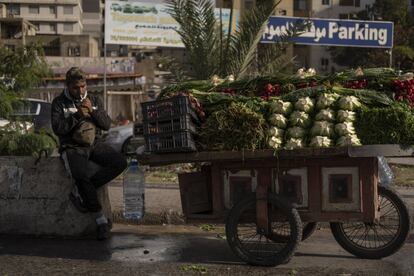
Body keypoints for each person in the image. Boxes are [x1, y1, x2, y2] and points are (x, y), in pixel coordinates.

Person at [51, 67, 127, 240]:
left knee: (120, 162)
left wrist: (91, 111)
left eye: (83, 86)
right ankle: (101, 221)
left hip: (94, 144)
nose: (80, 91)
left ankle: (81, 190)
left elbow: (107, 124)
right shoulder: (59, 102)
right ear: (68, 86)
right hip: (72, 146)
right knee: (80, 174)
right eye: (76, 88)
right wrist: (77, 115)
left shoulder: (94, 99)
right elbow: (58, 128)